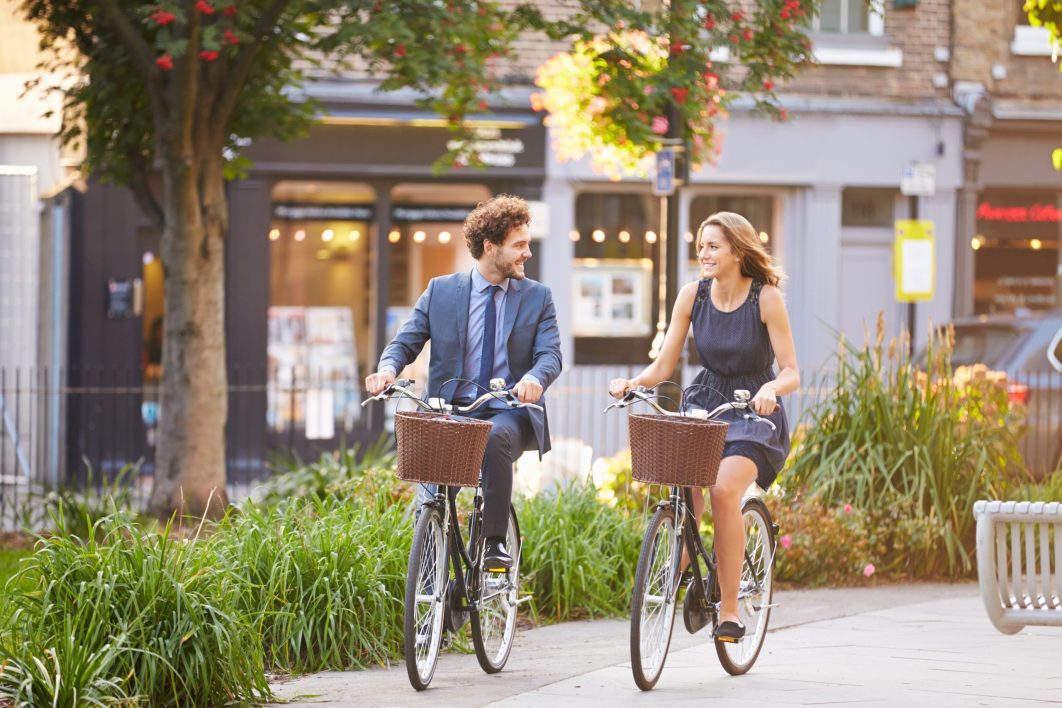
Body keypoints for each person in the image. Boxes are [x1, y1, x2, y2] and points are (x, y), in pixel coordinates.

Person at [608, 211, 798, 642]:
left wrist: (771, 387)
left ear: (737, 249)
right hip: (706, 401)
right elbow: (664, 364)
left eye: (713, 246)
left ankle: (729, 610)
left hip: (753, 411)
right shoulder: (692, 296)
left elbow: (792, 372)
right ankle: (686, 558)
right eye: (701, 247)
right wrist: (633, 383)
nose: (704, 254)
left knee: (724, 489)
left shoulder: (765, 298)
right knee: (683, 480)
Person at [366, 195, 562, 570]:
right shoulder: (441, 291)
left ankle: (493, 544)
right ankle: (436, 589)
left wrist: (535, 378)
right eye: (519, 245)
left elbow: (550, 354)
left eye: (527, 244)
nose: (527, 253)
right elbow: (406, 341)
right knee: (430, 502)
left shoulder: (538, 298)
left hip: (509, 412)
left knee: (493, 435)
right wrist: (388, 369)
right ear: (490, 247)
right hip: (448, 410)